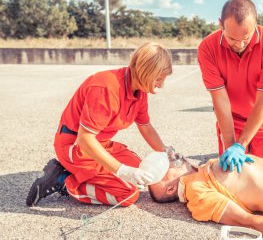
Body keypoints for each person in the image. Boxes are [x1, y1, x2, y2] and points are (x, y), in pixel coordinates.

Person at [26, 42, 176, 207]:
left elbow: (145, 126)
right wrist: (121, 170)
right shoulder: (105, 87)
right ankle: (63, 180)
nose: (161, 85)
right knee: (127, 194)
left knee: (143, 171)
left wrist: (165, 152)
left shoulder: (139, 90)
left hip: (101, 144)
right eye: (158, 78)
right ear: (144, 71)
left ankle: (78, 174)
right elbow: (84, 139)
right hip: (76, 147)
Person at [198, 0, 263, 172]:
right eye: (232, 38)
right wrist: (231, 145)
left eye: (246, 38)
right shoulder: (207, 47)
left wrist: (241, 145)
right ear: (220, 24)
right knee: (230, 175)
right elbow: (220, 99)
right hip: (232, 118)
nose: (239, 45)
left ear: (255, 23)